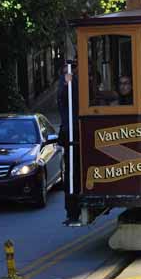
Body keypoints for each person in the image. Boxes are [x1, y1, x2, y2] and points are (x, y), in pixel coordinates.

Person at [57, 60, 81, 224]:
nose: (69, 72)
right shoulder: (64, 86)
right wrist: (67, 84)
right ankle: (72, 210)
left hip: (78, 130)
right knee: (71, 172)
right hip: (71, 133)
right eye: (66, 69)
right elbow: (65, 99)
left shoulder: (78, 82)